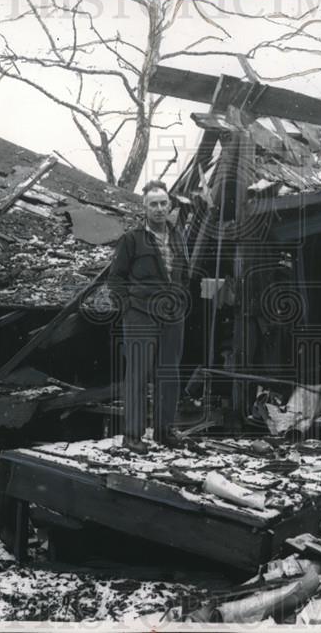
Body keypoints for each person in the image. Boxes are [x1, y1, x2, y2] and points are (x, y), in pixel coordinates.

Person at [108, 180, 190, 454]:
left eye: (162, 204)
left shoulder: (178, 237)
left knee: (170, 373)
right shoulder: (132, 240)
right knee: (138, 374)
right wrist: (128, 309)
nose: (158, 209)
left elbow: (184, 274)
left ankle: (165, 431)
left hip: (172, 314)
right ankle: (132, 435)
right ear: (144, 208)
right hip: (141, 314)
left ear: (169, 206)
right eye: (153, 204)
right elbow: (115, 279)